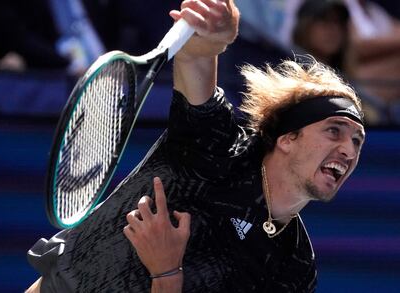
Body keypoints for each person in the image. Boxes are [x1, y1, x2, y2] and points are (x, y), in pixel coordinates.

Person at [26, 0, 366, 292]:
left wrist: (166, 273)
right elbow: (196, 59)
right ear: (288, 139)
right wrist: (213, 36)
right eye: (334, 131)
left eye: (356, 141)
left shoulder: (294, 269)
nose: (349, 151)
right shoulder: (215, 144)